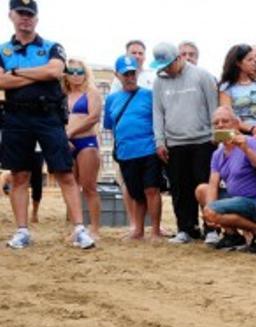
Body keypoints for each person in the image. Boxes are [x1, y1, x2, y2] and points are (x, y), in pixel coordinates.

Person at [0, 0, 94, 249]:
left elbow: (54, 72)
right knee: (19, 176)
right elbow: (1, 82)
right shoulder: (3, 50)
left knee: (64, 172)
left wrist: (16, 73)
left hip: (49, 116)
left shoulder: (53, 47)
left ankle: (79, 229)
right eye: (21, 13)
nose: (26, 19)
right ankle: (22, 231)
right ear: (11, 15)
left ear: (37, 19)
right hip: (16, 117)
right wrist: (34, 76)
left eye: (30, 14)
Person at [151, 41, 219, 244]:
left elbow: (213, 107)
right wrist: (160, 140)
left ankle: (212, 228)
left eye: (169, 64)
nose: (166, 69)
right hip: (174, 143)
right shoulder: (159, 82)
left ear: (179, 58)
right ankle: (186, 228)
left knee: (205, 186)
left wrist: (216, 135)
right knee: (180, 189)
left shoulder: (202, 76)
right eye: (162, 66)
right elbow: (158, 112)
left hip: (203, 141)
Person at [195, 107, 256, 254]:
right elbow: (213, 184)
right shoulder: (218, 153)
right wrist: (209, 211)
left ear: (236, 124)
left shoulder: (250, 142)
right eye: (216, 123)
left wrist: (246, 150)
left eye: (225, 121)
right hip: (238, 200)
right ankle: (232, 235)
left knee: (213, 210)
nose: (220, 125)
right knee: (202, 190)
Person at [104, 55, 163, 242]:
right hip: (126, 153)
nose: (130, 77)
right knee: (137, 194)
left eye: (132, 73)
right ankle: (138, 230)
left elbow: (160, 121)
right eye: (125, 74)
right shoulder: (111, 99)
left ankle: (155, 231)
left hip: (149, 150)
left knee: (152, 190)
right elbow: (110, 126)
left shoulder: (149, 95)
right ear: (117, 75)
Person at [63, 58, 103, 239]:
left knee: (89, 187)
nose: (76, 76)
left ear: (85, 74)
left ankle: (94, 228)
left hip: (86, 141)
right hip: (67, 144)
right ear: (66, 74)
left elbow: (93, 117)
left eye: (80, 72)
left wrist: (70, 133)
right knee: (71, 186)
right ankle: (77, 228)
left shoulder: (91, 92)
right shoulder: (62, 94)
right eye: (72, 72)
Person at [218, 44, 256, 135]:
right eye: (249, 60)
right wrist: (251, 129)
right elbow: (228, 116)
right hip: (241, 134)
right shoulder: (227, 88)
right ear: (238, 63)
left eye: (254, 59)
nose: (254, 62)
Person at [0, 152, 42, 223]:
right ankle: (19, 215)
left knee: (37, 183)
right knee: (17, 180)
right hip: (17, 148)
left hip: (36, 150)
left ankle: (34, 212)